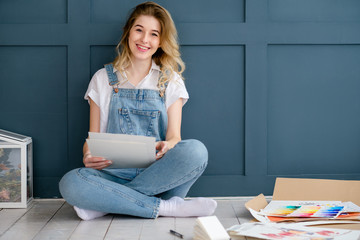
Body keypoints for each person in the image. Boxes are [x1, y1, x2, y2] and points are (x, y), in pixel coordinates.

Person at [59, 1, 217, 221]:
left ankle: (109, 203)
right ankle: (168, 207)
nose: (145, 40)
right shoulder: (103, 79)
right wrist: (87, 154)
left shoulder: (170, 80)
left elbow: (174, 137)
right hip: (111, 175)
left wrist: (167, 146)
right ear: (128, 32)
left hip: (159, 176)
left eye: (154, 34)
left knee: (196, 151)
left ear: (161, 41)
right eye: (139, 30)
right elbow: (91, 138)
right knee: (70, 182)